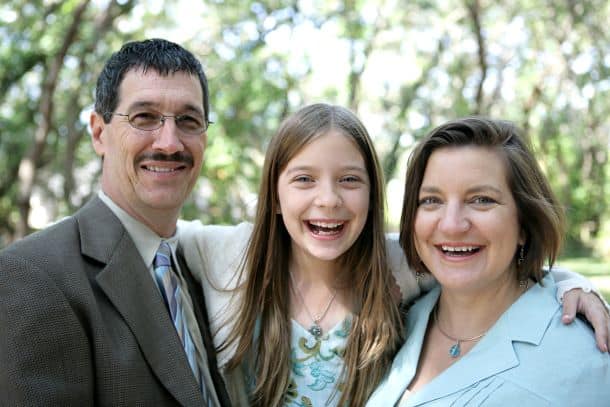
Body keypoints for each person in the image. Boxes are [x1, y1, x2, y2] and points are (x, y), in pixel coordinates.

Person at [177, 105, 610, 406]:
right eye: (304, 179)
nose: (327, 200)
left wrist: (569, 282)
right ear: (273, 193)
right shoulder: (230, 254)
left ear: (373, 196)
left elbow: (488, 269)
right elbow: (148, 236)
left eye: (349, 179)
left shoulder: (396, 264)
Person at [0, 39, 230, 406]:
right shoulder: (33, 276)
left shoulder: (201, 271)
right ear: (98, 132)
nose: (170, 143)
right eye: (144, 118)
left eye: (188, 120)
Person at [367, 117, 610, 406]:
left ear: (524, 223)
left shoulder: (583, 357)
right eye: (432, 200)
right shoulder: (401, 320)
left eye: (481, 200)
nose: (452, 224)